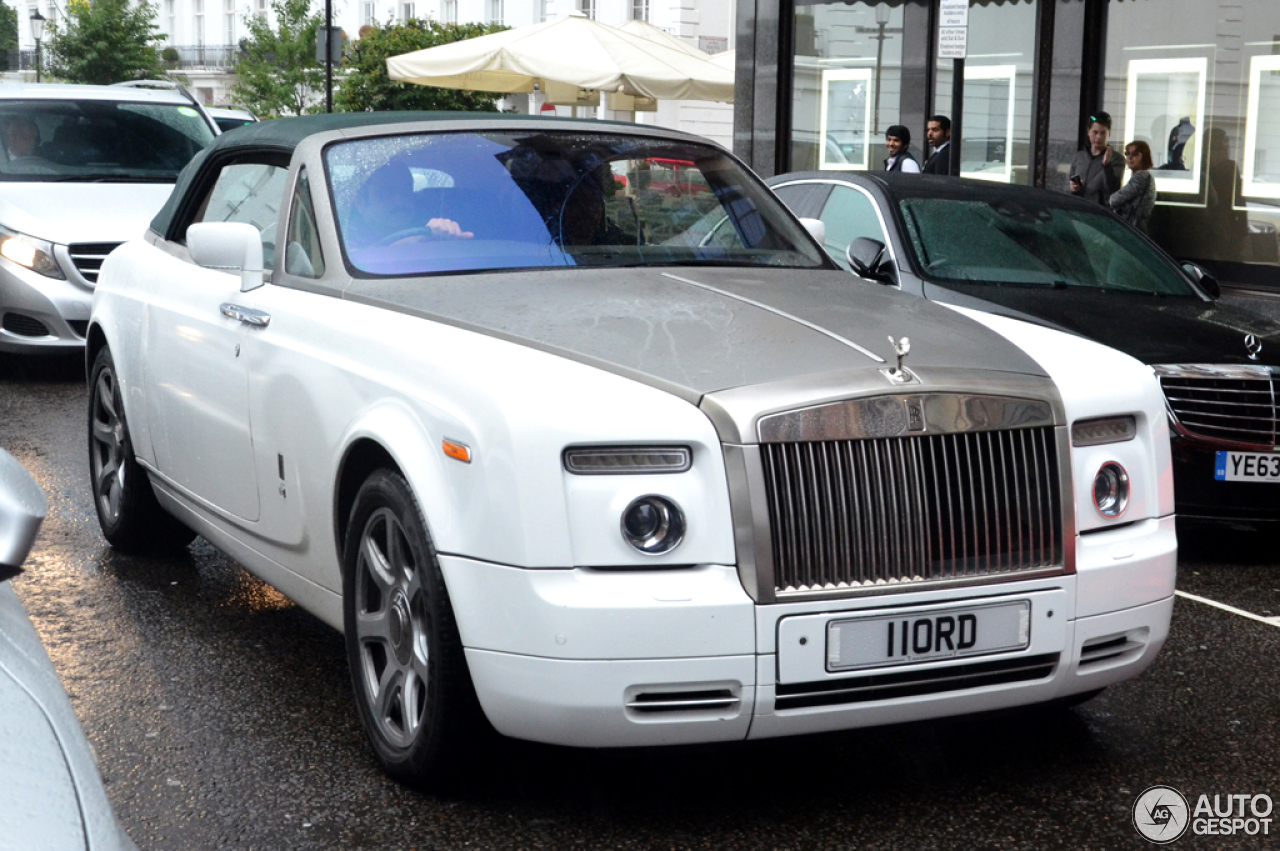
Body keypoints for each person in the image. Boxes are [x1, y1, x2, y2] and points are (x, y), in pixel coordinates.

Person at [1069, 111, 1122, 205]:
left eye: (1103, 133)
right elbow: (1068, 182)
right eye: (1095, 132)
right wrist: (1073, 187)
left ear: (1109, 133)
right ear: (1088, 131)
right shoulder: (1079, 156)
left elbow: (1113, 188)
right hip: (1078, 208)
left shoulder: (1117, 159)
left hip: (1100, 212)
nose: (1098, 137)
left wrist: (1107, 165)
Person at [1109, 140, 1157, 232]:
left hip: (1133, 229)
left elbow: (1114, 200)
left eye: (1135, 154)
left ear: (1144, 157)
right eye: (1127, 153)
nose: (1130, 157)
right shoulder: (1142, 176)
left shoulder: (1142, 176)